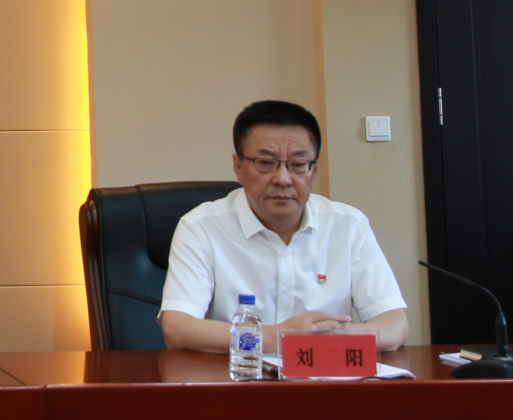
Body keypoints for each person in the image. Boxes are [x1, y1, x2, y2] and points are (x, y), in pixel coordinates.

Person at [158, 99, 409, 354]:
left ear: (313, 171)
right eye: (266, 163)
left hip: (322, 374)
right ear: (238, 167)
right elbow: (177, 328)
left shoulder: (348, 225)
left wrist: (337, 337)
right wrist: (276, 338)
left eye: (298, 165)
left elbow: (395, 324)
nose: (283, 179)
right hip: (236, 374)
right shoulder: (200, 227)